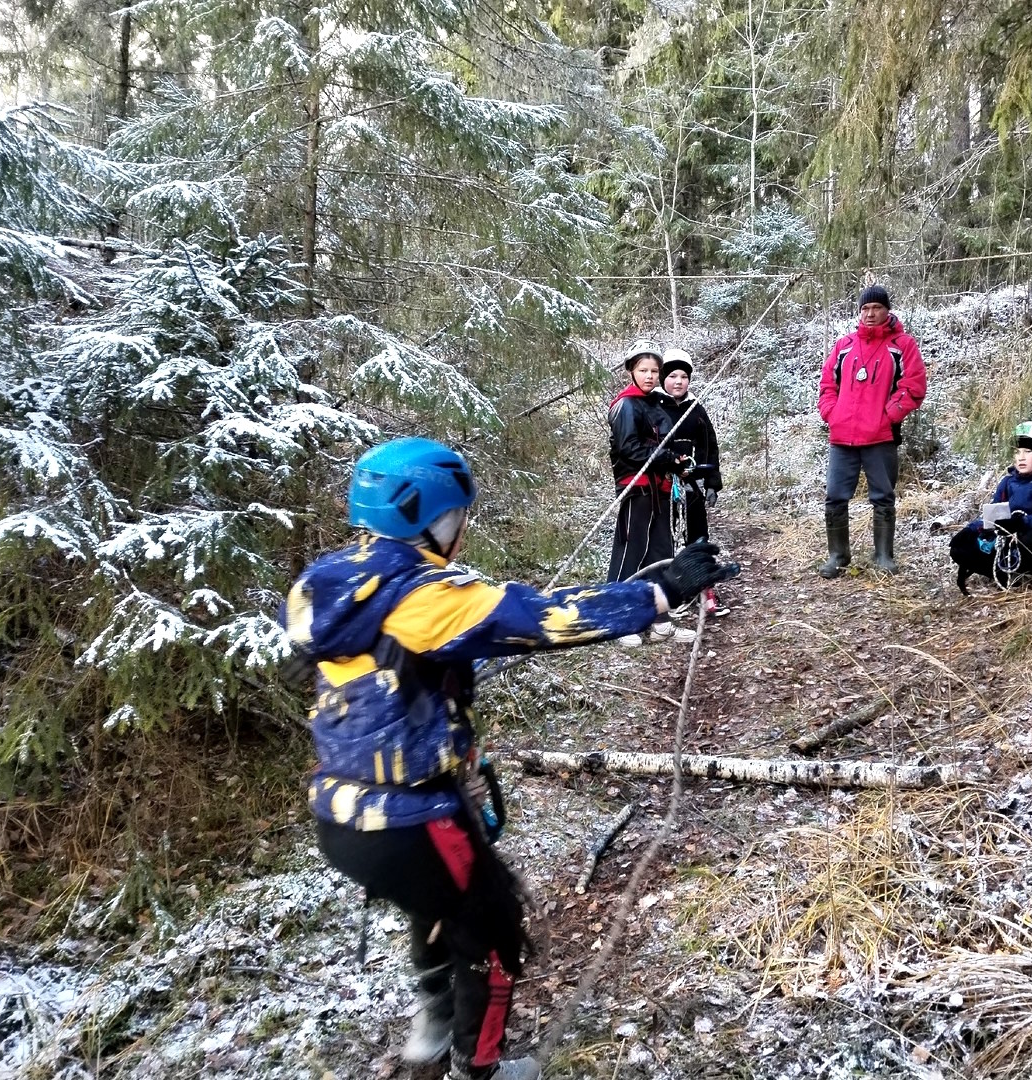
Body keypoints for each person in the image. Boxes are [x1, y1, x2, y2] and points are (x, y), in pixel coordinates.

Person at [280, 437, 738, 1080]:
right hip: (414, 817)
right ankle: (481, 1068)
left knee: (437, 908)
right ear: (437, 520)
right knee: (493, 932)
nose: (460, 531)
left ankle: (432, 1033)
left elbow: (402, 660)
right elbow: (545, 616)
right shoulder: (426, 598)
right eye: (457, 518)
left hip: (339, 814)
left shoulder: (332, 584)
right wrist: (660, 591)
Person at [816, 285, 927, 577]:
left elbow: (914, 387)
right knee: (835, 497)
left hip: (880, 436)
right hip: (842, 437)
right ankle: (838, 556)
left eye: (876, 308)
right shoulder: (845, 345)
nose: (870, 313)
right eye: (865, 309)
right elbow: (828, 384)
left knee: (883, 496)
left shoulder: (902, 345)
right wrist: (831, 413)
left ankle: (883, 556)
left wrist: (889, 415)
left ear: (887, 311)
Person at [608, 339, 692, 645]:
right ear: (631, 371)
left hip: (660, 488)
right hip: (637, 490)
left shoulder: (653, 403)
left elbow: (661, 445)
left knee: (660, 553)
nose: (649, 376)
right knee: (631, 552)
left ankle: (660, 621)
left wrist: (676, 463)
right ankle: (618, 619)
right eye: (643, 370)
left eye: (654, 371)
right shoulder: (625, 405)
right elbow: (629, 448)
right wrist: (666, 458)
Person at [948, 421, 1032, 596]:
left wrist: (1022, 522)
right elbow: (993, 517)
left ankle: (1018, 569)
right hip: (1006, 538)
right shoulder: (1007, 482)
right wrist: (972, 529)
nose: (1021, 457)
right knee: (961, 547)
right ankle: (1004, 573)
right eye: (1017, 452)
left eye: (1028, 452)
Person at [653, 348, 727, 616]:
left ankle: (705, 593)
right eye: (672, 375)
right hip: (662, 487)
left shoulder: (696, 410)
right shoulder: (653, 407)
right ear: (663, 378)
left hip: (691, 487)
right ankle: (670, 596)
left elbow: (709, 446)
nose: (678, 381)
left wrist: (711, 484)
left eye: (684, 376)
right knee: (667, 540)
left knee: (697, 538)